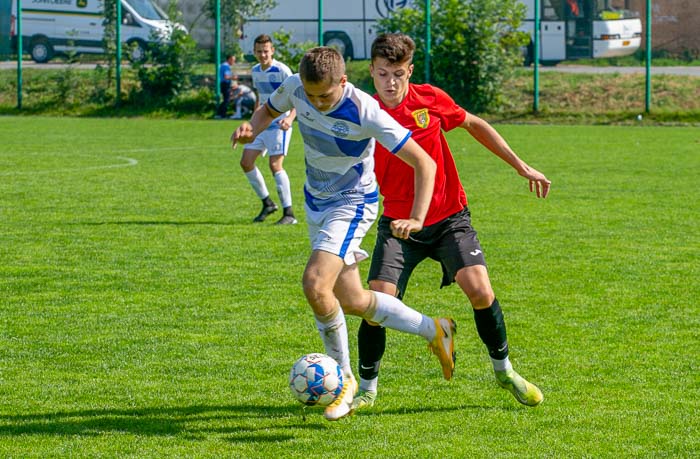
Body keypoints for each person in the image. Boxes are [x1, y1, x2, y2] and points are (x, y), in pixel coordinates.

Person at [231, 46, 456, 422]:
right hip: (315, 202)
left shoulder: (366, 111)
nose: (316, 103)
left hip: (352, 202)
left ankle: (344, 381)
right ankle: (435, 329)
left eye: (326, 95)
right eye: (311, 95)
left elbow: (424, 162)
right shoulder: (295, 87)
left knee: (315, 285)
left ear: (344, 81)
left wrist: (417, 217)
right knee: (351, 300)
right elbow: (269, 110)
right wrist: (252, 127)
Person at [351, 33, 552, 412]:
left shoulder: (430, 99)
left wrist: (521, 166)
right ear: (372, 74)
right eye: (381, 74)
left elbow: (475, 125)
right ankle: (366, 389)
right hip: (398, 223)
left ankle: (505, 371)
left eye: (397, 73)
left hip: (448, 219)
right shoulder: (366, 113)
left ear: (409, 71)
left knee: (480, 290)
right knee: (377, 301)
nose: (390, 82)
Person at [240, 34, 297, 225]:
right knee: (246, 162)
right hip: (262, 125)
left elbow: (298, 96)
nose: (263, 55)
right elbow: (261, 99)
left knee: (275, 165)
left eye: (266, 51)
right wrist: (252, 123)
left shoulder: (282, 70)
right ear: (254, 52)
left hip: (280, 124)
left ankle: (289, 213)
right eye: (259, 51)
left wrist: (290, 117)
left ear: (272, 51)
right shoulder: (256, 71)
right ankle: (267, 203)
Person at [215, 54, 236, 119]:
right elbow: (226, 77)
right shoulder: (226, 66)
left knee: (226, 99)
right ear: (229, 59)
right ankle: (221, 114)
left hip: (223, 84)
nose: (234, 62)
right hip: (225, 84)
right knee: (227, 100)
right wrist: (233, 77)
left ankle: (220, 114)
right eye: (233, 60)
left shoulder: (223, 65)